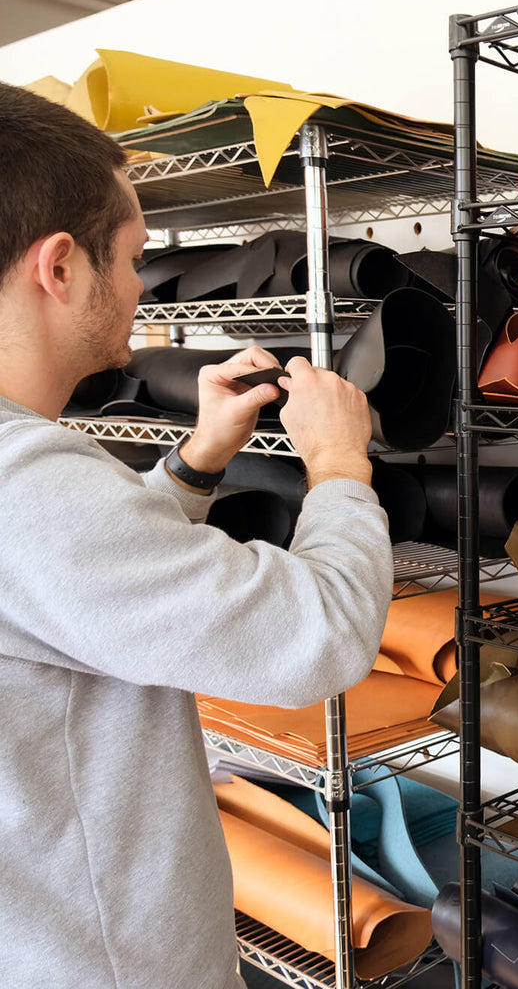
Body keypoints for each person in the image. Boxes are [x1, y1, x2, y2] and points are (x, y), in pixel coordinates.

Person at [0, 83, 393, 987]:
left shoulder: (38, 492)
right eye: (134, 257)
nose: (142, 286)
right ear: (59, 268)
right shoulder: (31, 484)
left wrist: (197, 464)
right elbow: (317, 637)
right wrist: (339, 466)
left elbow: (75, 589)